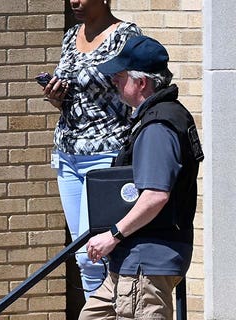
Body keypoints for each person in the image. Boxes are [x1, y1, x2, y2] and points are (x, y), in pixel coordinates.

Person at [80, 35, 204, 319]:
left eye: (119, 76)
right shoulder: (156, 118)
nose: (114, 81)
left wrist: (112, 235)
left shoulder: (157, 127)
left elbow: (155, 196)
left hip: (146, 264)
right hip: (132, 260)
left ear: (141, 82)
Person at [42, 0, 142, 296]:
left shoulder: (126, 35)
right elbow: (78, 96)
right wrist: (56, 97)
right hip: (67, 156)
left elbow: (139, 91)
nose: (74, 0)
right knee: (82, 256)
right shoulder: (71, 35)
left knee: (94, 253)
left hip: (106, 156)